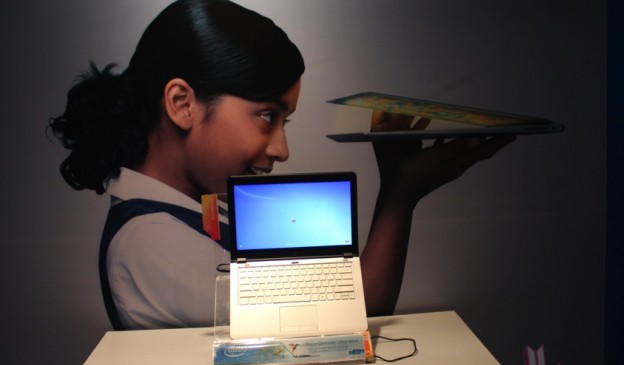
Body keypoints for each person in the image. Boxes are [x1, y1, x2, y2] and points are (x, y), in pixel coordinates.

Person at [49, 0, 514, 330]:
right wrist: (399, 193)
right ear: (182, 104)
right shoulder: (150, 243)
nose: (281, 149)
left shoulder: (201, 205)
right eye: (267, 116)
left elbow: (331, 286)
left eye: (284, 121)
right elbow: (350, 313)